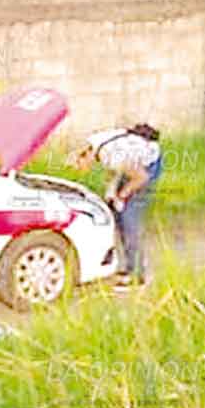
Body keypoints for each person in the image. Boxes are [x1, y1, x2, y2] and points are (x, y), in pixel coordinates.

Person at [71, 123, 163, 288]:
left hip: (148, 166)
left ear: (85, 155)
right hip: (134, 163)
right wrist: (111, 193)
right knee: (117, 214)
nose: (81, 170)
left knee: (129, 219)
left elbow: (141, 178)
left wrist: (121, 195)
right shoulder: (96, 145)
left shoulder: (111, 155)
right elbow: (116, 171)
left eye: (79, 165)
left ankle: (137, 276)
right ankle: (128, 267)